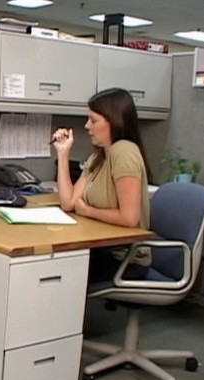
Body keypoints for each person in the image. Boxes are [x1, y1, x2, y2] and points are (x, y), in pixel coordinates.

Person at [51, 87, 152, 282]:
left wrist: (88, 211)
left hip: (126, 260)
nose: (87, 126)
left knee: (58, 271)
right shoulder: (100, 156)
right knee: (53, 266)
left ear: (114, 121)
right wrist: (63, 154)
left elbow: (129, 218)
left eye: (94, 120)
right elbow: (69, 203)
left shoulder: (124, 152)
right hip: (102, 251)